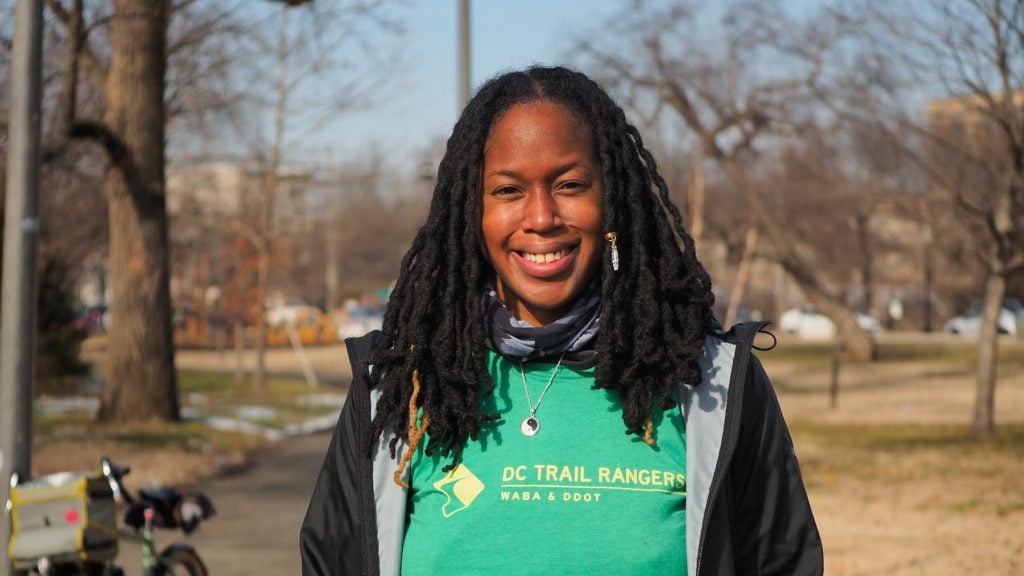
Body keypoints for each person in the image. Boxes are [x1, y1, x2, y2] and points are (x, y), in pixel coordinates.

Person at [300, 66, 822, 576]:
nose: (542, 217)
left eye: (570, 185)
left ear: (612, 200)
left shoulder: (711, 383)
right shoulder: (402, 385)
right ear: (471, 214)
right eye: (508, 190)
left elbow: (783, 561)